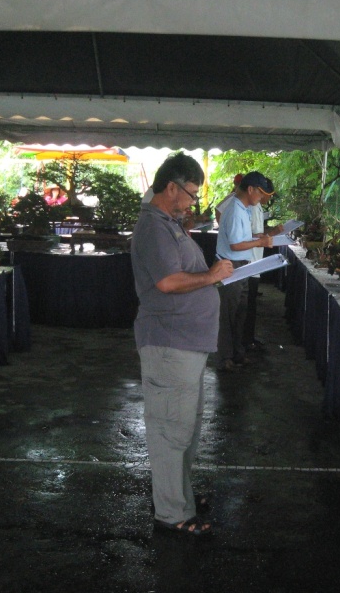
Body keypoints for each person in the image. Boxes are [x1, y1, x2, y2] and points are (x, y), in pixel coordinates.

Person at [130, 152, 234, 536]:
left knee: (185, 427)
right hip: (169, 344)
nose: (194, 202)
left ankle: (181, 496)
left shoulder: (168, 223)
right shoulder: (154, 227)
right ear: (170, 188)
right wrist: (211, 275)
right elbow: (168, 282)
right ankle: (172, 513)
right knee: (170, 429)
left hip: (185, 344)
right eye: (191, 194)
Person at [214, 171, 275, 371]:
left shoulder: (243, 208)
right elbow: (235, 245)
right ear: (250, 190)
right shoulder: (234, 210)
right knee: (228, 315)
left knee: (240, 313)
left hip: (242, 266)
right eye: (260, 193)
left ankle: (237, 353)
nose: (262, 198)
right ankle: (225, 358)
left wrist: (261, 235)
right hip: (231, 266)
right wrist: (260, 241)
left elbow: (244, 236)